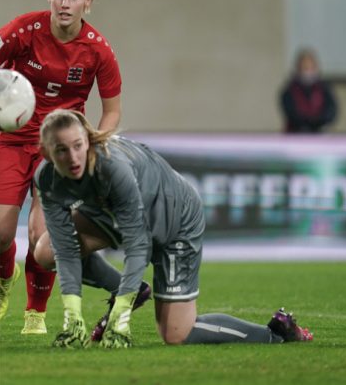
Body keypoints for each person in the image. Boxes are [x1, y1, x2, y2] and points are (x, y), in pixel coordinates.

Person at [33, 109, 313, 348]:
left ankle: (276, 333)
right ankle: (130, 288)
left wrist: (121, 311)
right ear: (46, 152)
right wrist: (72, 315)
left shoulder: (113, 168)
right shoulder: (47, 179)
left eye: (78, 145)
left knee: (177, 334)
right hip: (116, 215)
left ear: (88, 140)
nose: (73, 157)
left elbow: (138, 243)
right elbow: (67, 250)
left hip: (176, 218)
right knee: (46, 251)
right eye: (61, 150)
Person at [0, 0, 123, 334]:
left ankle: (35, 312)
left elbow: (112, 111)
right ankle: (3, 280)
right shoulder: (22, 31)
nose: (66, 4)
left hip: (60, 148)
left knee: (40, 235)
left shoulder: (99, 49)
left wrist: (96, 144)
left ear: (88, 2)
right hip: (13, 141)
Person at [280, 47, 338, 133]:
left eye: (310, 67)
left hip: (320, 134)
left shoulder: (324, 88)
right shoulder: (289, 90)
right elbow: (291, 114)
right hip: (295, 134)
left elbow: (331, 111)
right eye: (304, 67)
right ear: (298, 68)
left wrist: (319, 121)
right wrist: (308, 122)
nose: (307, 71)